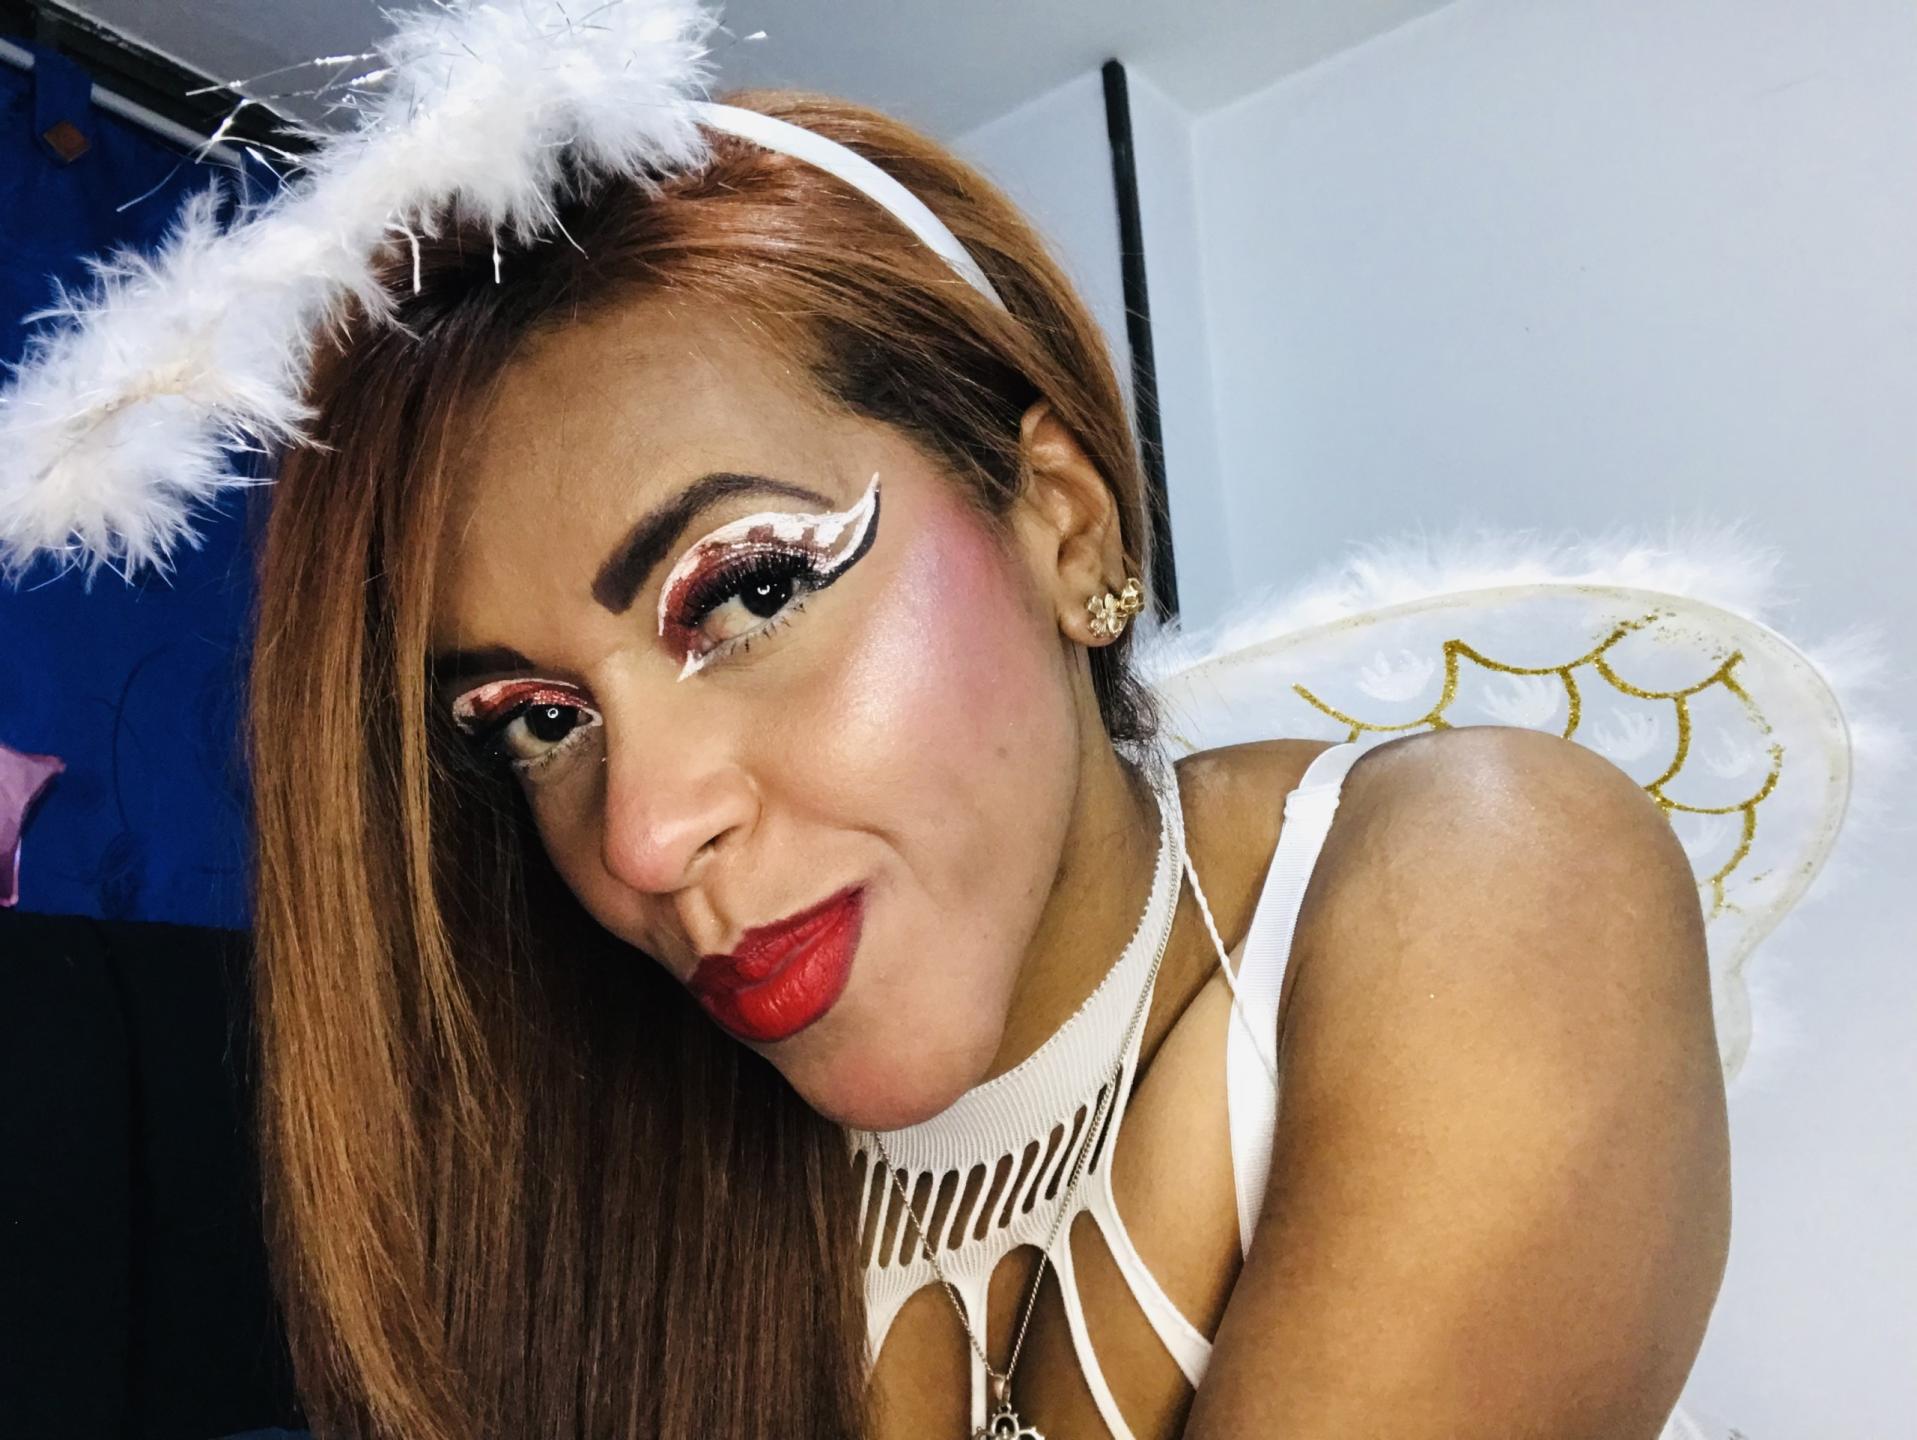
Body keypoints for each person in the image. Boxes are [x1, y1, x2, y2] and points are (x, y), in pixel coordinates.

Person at [236, 89, 1728, 1440]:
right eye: (539, 721)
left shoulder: (1483, 875)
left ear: (1065, 524)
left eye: (750, 591)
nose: (644, 835)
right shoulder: (619, 1202)